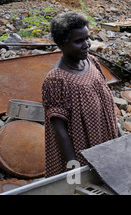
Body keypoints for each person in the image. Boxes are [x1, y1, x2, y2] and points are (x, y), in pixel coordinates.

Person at [41, 12, 119, 177]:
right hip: (80, 151)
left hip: (104, 141)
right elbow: (58, 128)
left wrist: (120, 137)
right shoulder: (57, 79)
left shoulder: (91, 62)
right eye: (78, 41)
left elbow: (108, 107)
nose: (86, 45)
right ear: (62, 44)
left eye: (87, 38)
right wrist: (73, 166)